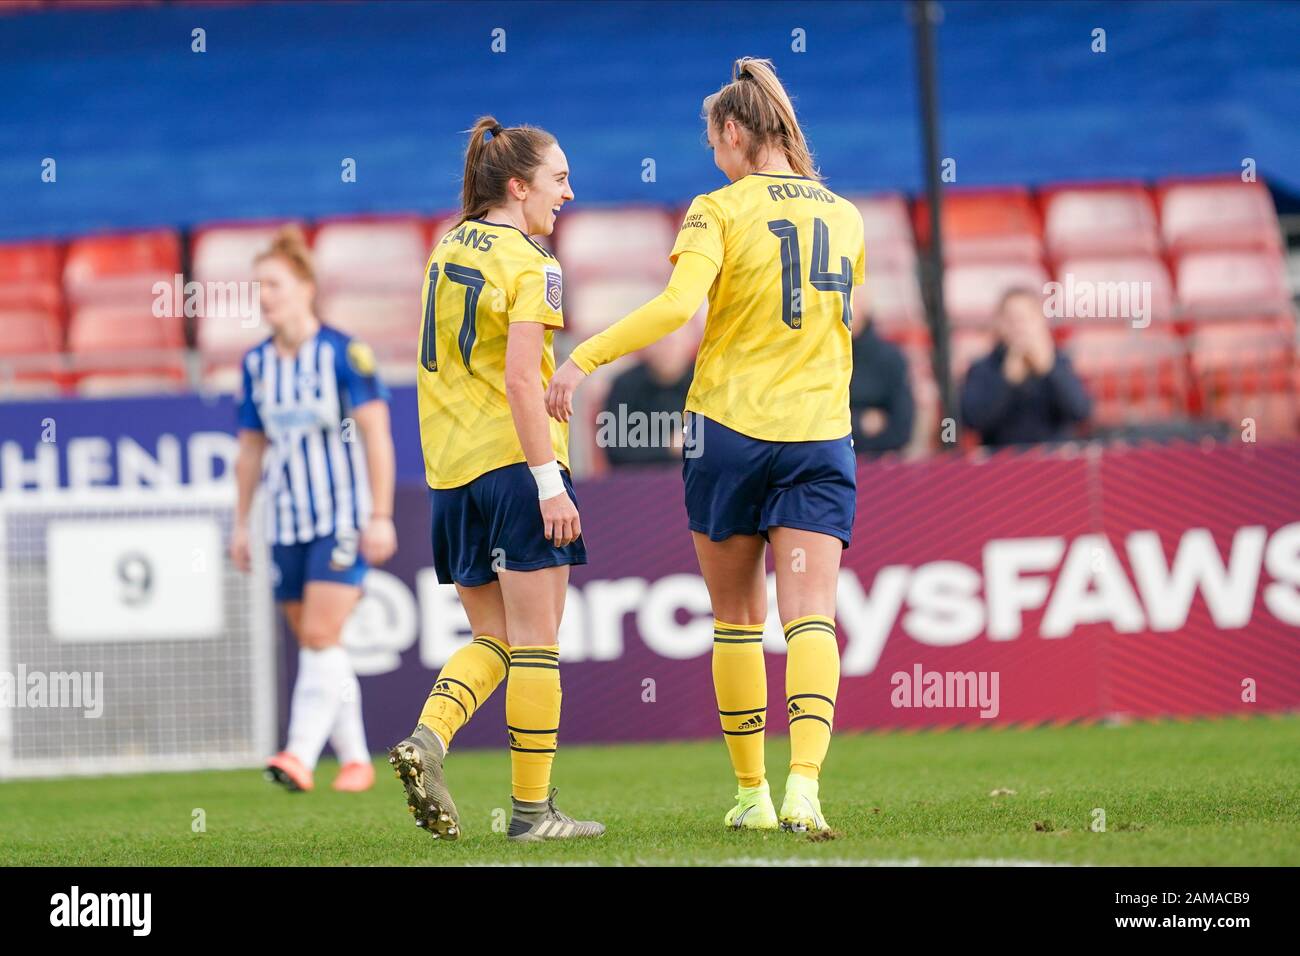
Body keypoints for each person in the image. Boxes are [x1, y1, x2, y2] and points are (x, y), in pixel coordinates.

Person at [546, 58, 864, 833]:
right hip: (821, 432)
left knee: (735, 618)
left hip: (730, 431)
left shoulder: (716, 209)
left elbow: (676, 308)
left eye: (713, 143)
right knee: (812, 614)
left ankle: (753, 796)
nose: (713, 159)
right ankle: (807, 790)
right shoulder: (846, 216)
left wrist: (584, 357)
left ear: (732, 131)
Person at [387, 116, 604, 843]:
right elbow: (521, 382)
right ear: (518, 186)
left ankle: (429, 739)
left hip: (449, 473)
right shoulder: (533, 262)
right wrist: (549, 482)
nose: (568, 193)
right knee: (538, 641)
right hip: (515, 466)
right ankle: (533, 814)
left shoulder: (444, 245)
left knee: (494, 636)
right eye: (559, 179)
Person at [230, 226, 397, 794]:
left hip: (340, 517)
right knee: (318, 643)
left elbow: (377, 434)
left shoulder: (344, 353)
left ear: (305, 287)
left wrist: (380, 513)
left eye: (274, 284)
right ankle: (355, 758)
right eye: (259, 286)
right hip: (287, 522)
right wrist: (240, 524)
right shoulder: (255, 364)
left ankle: (298, 755)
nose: (264, 296)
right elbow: (251, 448)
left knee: (323, 632)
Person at [961, 287, 1092, 446]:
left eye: (1026, 318)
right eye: (1011, 320)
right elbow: (973, 420)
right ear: (999, 323)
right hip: (1002, 463)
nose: (1019, 326)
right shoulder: (983, 368)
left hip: (1054, 460)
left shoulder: (1060, 362)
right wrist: (1006, 381)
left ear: (1041, 321)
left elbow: (1080, 412)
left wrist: (1050, 370)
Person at [850, 312, 914, 456]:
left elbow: (902, 428)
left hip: (880, 462)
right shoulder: (815, 359)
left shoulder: (890, 359)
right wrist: (859, 422)